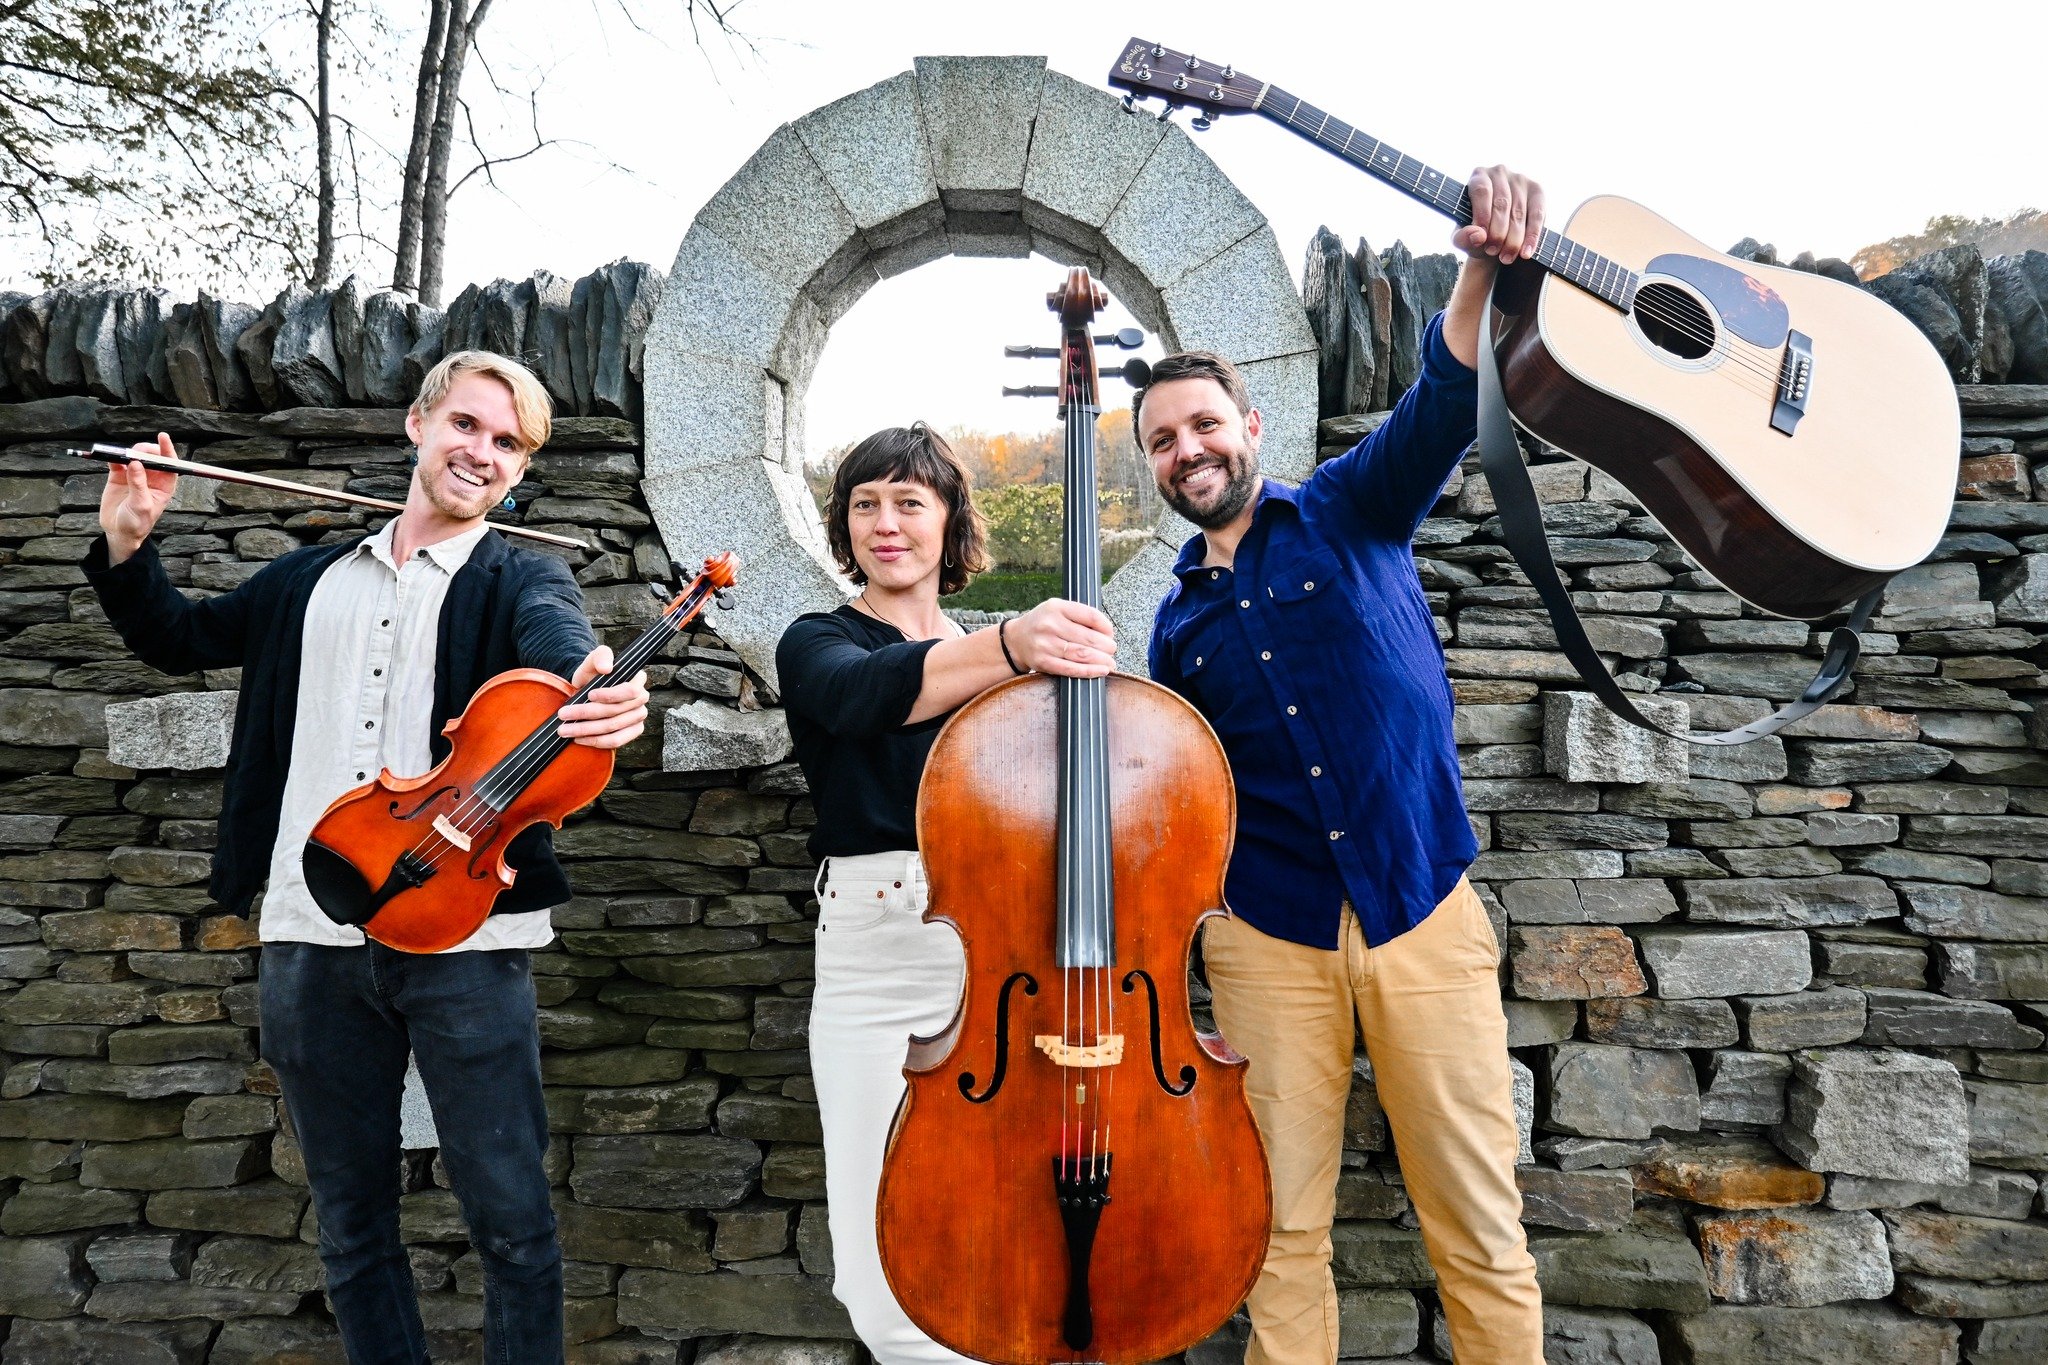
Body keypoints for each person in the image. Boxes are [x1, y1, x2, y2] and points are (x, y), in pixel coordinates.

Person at [85, 351, 650, 1365]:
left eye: (507, 443)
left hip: (468, 940)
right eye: (467, 426)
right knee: (352, 1227)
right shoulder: (309, 576)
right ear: (418, 423)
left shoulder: (524, 572)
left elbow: (559, 648)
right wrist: (129, 543)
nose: (481, 453)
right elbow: (181, 638)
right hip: (311, 933)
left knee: (512, 1224)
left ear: (520, 472)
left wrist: (597, 688)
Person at [1139, 167, 1550, 1363]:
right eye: (1162, 442)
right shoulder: (1171, 632)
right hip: (1266, 938)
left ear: (1250, 427)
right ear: (1153, 469)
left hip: (1419, 905)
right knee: (1277, 1235)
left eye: (1204, 425)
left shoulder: (1350, 510)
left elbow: (1442, 391)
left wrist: (1477, 265)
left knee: (1477, 1226)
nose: (1187, 449)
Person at [774, 423, 1115, 1363]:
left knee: (1010, 1229)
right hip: (875, 955)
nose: (886, 524)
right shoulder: (817, 640)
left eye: (910, 503)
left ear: (950, 521)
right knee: (881, 1255)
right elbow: (861, 696)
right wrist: (1014, 641)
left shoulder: (999, 668)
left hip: (1003, 963)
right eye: (865, 504)